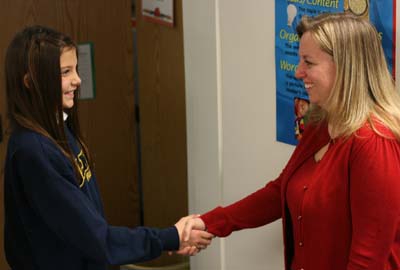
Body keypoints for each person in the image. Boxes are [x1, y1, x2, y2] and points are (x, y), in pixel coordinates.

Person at [182, 12, 400, 270]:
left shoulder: (374, 142)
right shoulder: (320, 122)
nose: (298, 73)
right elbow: (280, 190)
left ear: (346, 66)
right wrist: (212, 222)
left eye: (308, 62)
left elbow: (368, 260)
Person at [3, 25, 212, 270]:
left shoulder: (61, 130)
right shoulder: (33, 152)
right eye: (65, 72)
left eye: (76, 69)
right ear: (30, 81)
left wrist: (171, 238)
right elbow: (96, 238)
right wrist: (171, 237)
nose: (77, 80)